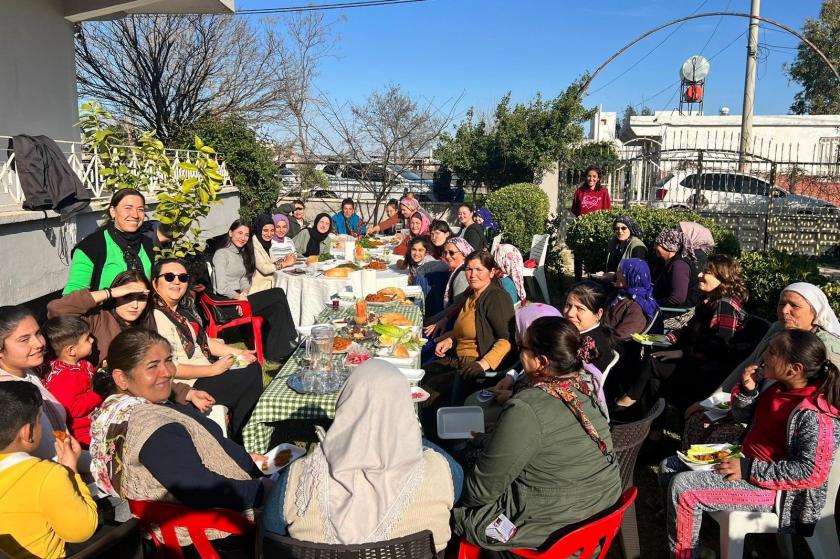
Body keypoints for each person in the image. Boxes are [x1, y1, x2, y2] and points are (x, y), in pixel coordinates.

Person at [660, 329, 840, 559]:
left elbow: (810, 473)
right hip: (744, 464)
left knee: (684, 489)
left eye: (772, 352)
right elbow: (744, 418)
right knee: (669, 467)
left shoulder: (815, 414)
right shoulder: (778, 387)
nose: (764, 355)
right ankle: (693, 542)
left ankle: (684, 554)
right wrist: (749, 391)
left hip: (774, 491)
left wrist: (748, 469)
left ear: (794, 369)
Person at [89, 329, 269, 557]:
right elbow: (200, 489)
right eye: (152, 366)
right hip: (213, 535)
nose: (167, 372)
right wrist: (262, 490)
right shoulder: (152, 428)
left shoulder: (117, 408)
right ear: (121, 378)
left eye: (168, 360)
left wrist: (242, 458)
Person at [453, 317, 622, 553]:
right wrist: (486, 440)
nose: (519, 352)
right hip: (597, 521)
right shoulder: (586, 388)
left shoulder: (527, 407)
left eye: (522, 348)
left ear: (541, 362)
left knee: (461, 504)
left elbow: (480, 491)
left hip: (550, 534)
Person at [263, 360, 462, 552]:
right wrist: (409, 436)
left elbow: (271, 531)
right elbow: (457, 495)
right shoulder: (442, 468)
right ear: (405, 406)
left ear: (345, 403)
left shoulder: (300, 475)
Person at [682, 282, 840, 448]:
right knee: (698, 419)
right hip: (749, 405)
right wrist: (710, 401)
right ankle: (689, 465)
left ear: (815, 312)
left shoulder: (825, 349)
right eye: (781, 304)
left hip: (781, 426)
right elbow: (750, 363)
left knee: (718, 437)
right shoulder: (778, 329)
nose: (785, 310)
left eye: (794, 306)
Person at [46, 271, 210, 410]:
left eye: (141, 298)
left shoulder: (146, 324)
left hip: (145, 398)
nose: (135, 305)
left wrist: (186, 393)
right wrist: (110, 292)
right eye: (127, 297)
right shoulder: (98, 318)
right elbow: (56, 309)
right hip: (102, 404)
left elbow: (151, 371)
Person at [616, 255, 751, 413]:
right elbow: (689, 328)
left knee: (653, 363)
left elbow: (720, 347)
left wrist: (682, 353)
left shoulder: (724, 305)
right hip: (696, 358)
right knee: (654, 377)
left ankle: (627, 402)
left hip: (709, 368)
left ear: (723, 278)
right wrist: (668, 338)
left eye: (706, 272)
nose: (699, 275)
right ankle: (652, 428)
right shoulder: (708, 301)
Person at [153, 258, 264, 441]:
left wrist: (238, 353)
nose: (177, 282)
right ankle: (244, 436)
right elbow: (171, 367)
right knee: (249, 375)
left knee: (251, 367)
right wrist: (212, 370)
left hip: (204, 371)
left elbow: (204, 341)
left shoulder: (181, 312)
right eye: (169, 277)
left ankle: (244, 432)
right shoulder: (157, 317)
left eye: (182, 277)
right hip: (190, 383)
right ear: (155, 282)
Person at [0, 382, 98, 559]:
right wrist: (70, 470)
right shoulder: (47, 475)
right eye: (40, 420)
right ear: (28, 432)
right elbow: (81, 531)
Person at [423, 251, 516, 405]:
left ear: (492, 272)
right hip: (458, 358)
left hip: (474, 367)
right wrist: (451, 339)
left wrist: (483, 364)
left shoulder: (495, 298)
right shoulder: (473, 295)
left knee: (426, 393)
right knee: (422, 374)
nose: (473, 274)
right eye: (469, 269)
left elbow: (507, 339)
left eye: (479, 270)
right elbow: (469, 327)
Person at [212, 220, 298, 362]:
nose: (243, 238)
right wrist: (239, 297)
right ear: (230, 232)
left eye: (246, 235)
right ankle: (291, 337)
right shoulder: (222, 254)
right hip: (226, 305)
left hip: (240, 299)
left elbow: (244, 280)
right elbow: (221, 288)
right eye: (240, 233)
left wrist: (244, 293)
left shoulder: (240, 254)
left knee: (277, 307)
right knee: (277, 293)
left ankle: (276, 352)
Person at [64, 188, 154, 294]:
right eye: (128, 208)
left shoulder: (147, 243)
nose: (135, 215)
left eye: (140, 209)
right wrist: (111, 293)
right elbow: (72, 297)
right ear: (113, 211)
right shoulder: (91, 247)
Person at [41, 316, 101, 447]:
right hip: (83, 434)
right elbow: (73, 408)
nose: (92, 340)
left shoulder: (81, 364)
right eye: (87, 339)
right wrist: (99, 393)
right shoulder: (64, 377)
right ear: (71, 350)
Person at [563, 282, 615, 375]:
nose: (570, 313)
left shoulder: (592, 348)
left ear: (598, 314)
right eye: (568, 305)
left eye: (580, 309)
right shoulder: (578, 334)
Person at [570, 166, 612, 281]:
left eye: (594, 176)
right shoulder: (580, 191)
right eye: (589, 176)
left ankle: (593, 284)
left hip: (596, 231)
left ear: (598, 178)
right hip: (581, 230)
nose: (591, 179)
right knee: (578, 258)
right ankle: (577, 282)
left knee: (594, 260)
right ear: (585, 177)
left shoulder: (603, 192)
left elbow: (607, 211)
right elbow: (575, 210)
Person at [603, 258, 659, 341]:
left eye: (621, 271)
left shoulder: (637, 306)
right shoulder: (620, 294)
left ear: (631, 276)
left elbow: (622, 336)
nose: (617, 274)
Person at [652, 228, 700, 308]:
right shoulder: (666, 262)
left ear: (668, 246)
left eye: (658, 244)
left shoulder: (679, 265)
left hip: (674, 313)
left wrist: (651, 304)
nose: (654, 246)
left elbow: (677, 299)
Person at [602, 216, 647, 281]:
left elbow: (637, 274)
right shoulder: (614, 244)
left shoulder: (637, 247)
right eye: (616, 228)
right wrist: (605, 274)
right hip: (612, 284)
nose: (619, 231)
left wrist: (615, 277)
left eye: (623, 228)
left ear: (630, 229)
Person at [250, 215, 286, 296]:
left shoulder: (266, 244)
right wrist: (285, 263)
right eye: (265, 230)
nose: (269, 234)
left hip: (269, 286)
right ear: (259, 230)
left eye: (272, 230)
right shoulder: (253, 245)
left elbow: (273, 261)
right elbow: (265, 268)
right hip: (258, 290)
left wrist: (285, 259)